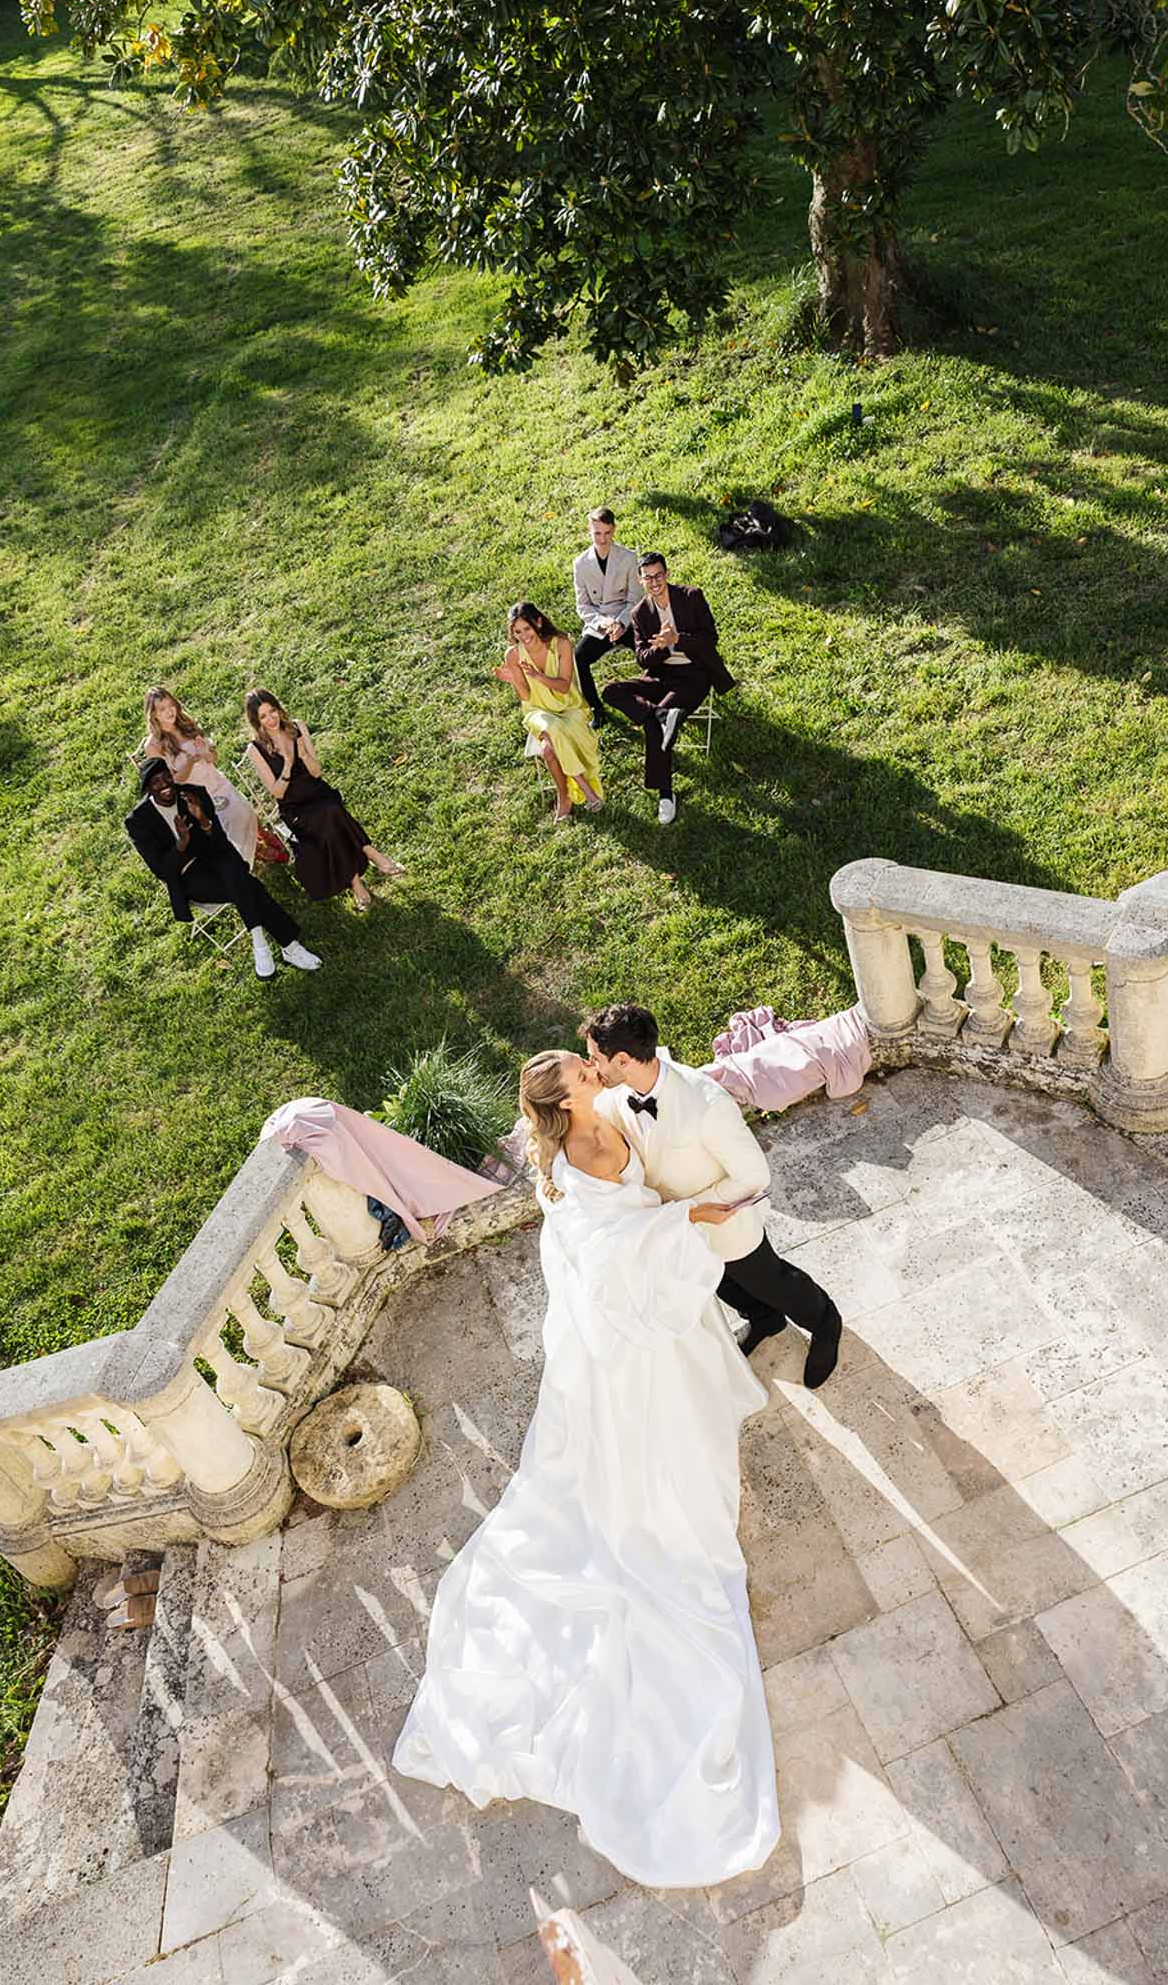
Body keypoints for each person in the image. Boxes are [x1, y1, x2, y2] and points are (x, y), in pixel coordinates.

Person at [392, 1048, 779, 1889]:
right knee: (655, 1450)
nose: (591, 1067)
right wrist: (688, 1218)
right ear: (564, 1103)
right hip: (623, 1298)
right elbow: (620, 1238)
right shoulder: (593, 1148)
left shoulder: (583, 1130)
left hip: (606, 1304)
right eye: (580, 1069)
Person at [584, 1003, 842, 1388]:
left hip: (727, 1223)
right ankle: (764, 1321)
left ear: (623, 1060)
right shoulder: (614, 1096)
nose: (591, 1067)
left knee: (772, 1281)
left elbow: (754, 1174)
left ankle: (824, 1320)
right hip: (684, 1230)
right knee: (722, 1285)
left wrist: (697, 1210)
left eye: (595, 1058)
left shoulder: (706, 1104)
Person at [125, 757, 321, 979]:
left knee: (233, 872)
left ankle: (262, 946)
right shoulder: (138, 821)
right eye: (156, 782)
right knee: (249, 885)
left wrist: (204, 821)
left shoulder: (193, 794)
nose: (165, 785)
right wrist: (181, 844)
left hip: (214, 856)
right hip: (188, 876)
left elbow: (218, 841)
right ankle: (289, 947)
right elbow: (161, 870)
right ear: (148, 788)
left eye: (166, 777)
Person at [602, 553, 736, 825]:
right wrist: (661, 649)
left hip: (693, 675)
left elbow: (710, 639)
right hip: (661, 676)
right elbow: (642, 658)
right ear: (640, 580)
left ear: (667, 573)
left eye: (658, 575)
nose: (654, 582)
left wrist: (677, 640)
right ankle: (662, 716)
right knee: (611, 690)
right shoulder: (640, 612)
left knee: (653, 724)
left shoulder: (690, 596)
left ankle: (665, 794)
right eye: (648, 577)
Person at [243, 690, 402, 911]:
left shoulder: (296, 727)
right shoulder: (256, 749)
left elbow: (316, 772)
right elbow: (277, 792)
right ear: (256, 721)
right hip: (295, 807)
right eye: (264, 716)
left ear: (278, 708)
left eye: (273, 711)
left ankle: (356, 882)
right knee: (330, 814)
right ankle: (369, 852)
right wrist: (288, 764)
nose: (271, 719)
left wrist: (304, 755)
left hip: (318, 792)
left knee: (329, 812)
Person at [493, 603, 604, 824]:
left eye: (527, 629)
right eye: (517, 632)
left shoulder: (561, 644)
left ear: (539, 622)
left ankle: (564, 797)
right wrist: (514, 679)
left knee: (549, 752)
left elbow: (563, 686)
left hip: (569, 707)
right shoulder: (513, 655)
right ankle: (584, 789)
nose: (523, 636)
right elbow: (525, 696)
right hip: (538, 710)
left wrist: (536, 676)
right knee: (552, 727)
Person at [143, 686, 260, 868]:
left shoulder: (186, 722)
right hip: (195, 797)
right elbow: (170, 784)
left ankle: (249, 855)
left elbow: (214, 758)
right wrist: (189, 761)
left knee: (246, 814)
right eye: (162, 709)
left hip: (216, 782)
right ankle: (239, 867)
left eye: (170, 705)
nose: (169, 711)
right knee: (224, 829)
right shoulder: (154, 746)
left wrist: (206, 753)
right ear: (154, 715)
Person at [571, 507, 643, 729]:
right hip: (600, 624)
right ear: (589, 531)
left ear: (614, 530)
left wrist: (621, 622)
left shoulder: (629, 558)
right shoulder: (580, 564)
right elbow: (583, 606)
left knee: (650, 648)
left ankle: (660, 694)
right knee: (579, 658)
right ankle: (596, 708)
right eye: (597, 533)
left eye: (607, 533)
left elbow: (636, 598)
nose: (602, 539)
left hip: (626, 618)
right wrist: (604, 624)